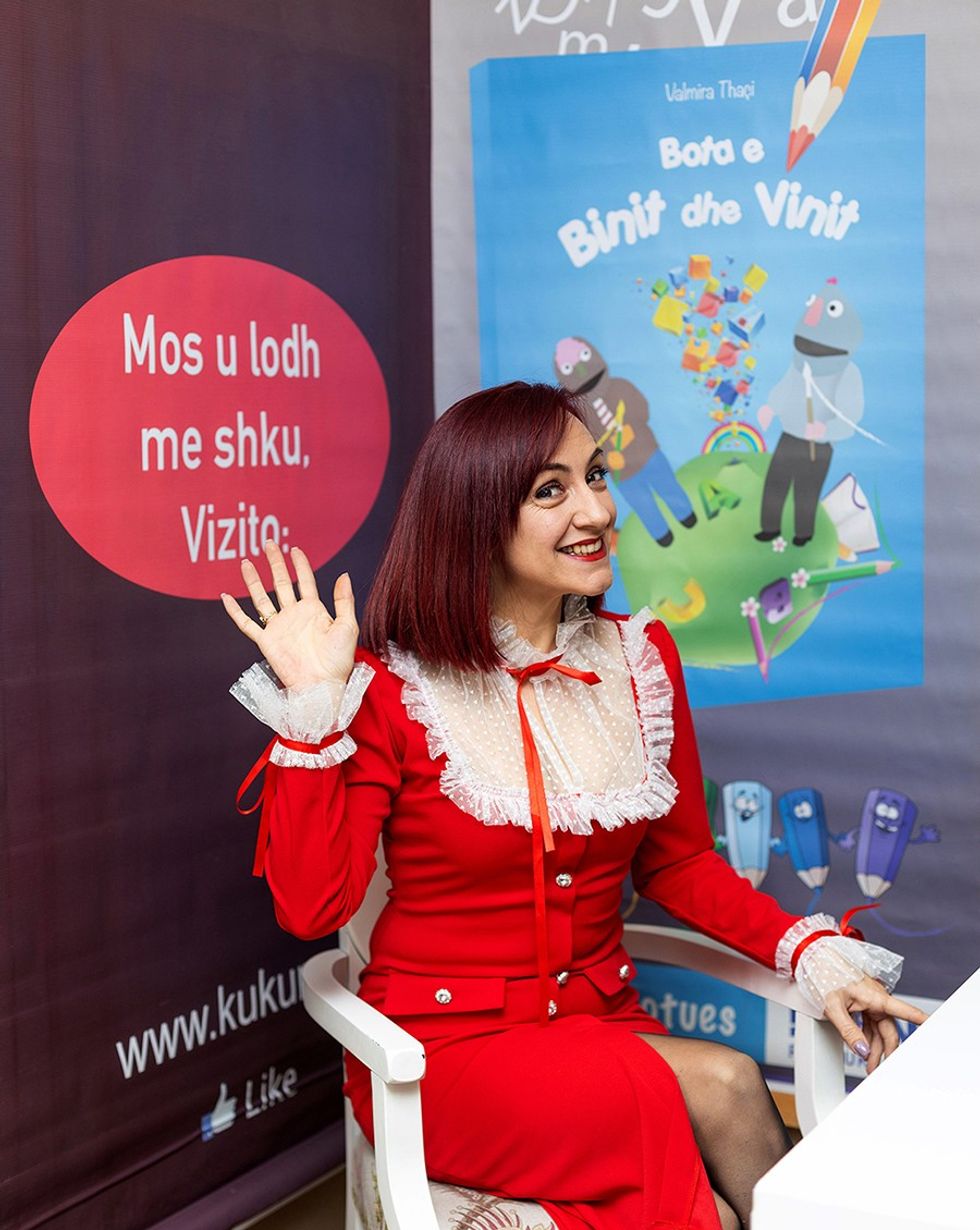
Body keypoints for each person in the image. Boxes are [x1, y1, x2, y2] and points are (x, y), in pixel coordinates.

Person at [222, 382, 925, 1230]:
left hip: (603, 1023)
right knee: (728, 1085)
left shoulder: (640, 656)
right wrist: (312, 711)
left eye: (595, 475)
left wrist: (808, 952)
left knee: (715, 1164)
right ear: (475, 518)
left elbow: (679, 862)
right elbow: (312, 908)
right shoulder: (395, 687)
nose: (596, 510)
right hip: (443, 1054)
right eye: (550, 490)